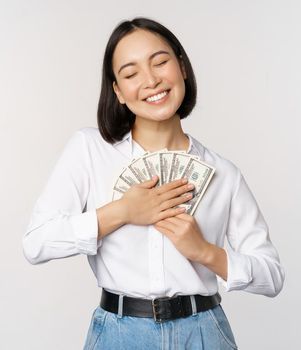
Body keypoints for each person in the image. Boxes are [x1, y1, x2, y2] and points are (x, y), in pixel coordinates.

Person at [22, 17, 284, 349]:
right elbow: (36, 243)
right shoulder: (89, 150)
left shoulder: (222, 173)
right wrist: (122, 211)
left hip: (203, 332)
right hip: (118, 334)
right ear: (117, 90)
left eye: (160, 62)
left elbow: (272, 276)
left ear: (182, 67)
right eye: (131, 74)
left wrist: (205, 252)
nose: (151, 80)